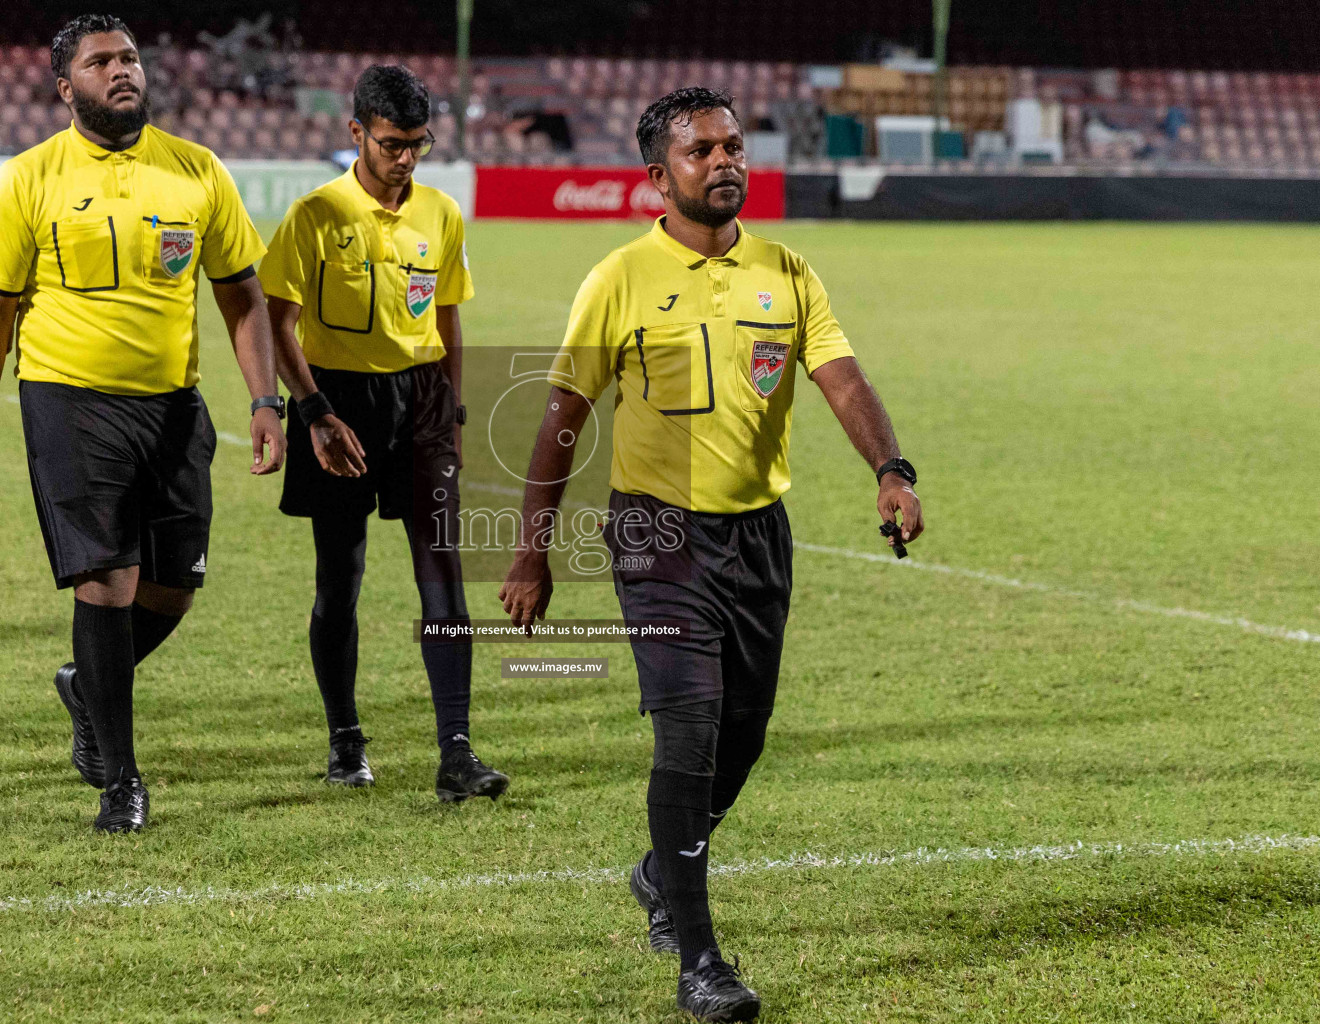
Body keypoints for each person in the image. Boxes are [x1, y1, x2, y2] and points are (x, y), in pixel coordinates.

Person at [499, 88, 925, 1021]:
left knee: (743, 738)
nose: (726, 161)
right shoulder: (618, 278)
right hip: (658, 533)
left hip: (759, 534)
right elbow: (561, 421)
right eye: (702, 151)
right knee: (688, 731)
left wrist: (890, 468)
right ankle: (700, 960)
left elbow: (841, 377)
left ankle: (660, 869)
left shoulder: (788, 271)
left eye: (734, 145)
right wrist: (532, 552)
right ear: (658, 175)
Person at [0, 14, 287, 833]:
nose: (122, 70)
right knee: (109, 580)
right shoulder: (29, 179)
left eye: (130, 56)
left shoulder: (196, 170)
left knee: (174, 587)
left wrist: (265, 400)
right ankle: (122, 782)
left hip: (174, 405)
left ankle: (85, 685)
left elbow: (241, 297)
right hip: (69, 399)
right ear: (65, 87)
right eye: (101, 61)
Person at [258, 64, 508, 801]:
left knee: (445, 577)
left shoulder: (440, 213)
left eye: (418, 145)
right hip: (338, 405)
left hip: (423, 401)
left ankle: (457, 752)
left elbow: (449, 317)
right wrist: (313, 412)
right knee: (342, 583)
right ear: (356, 132)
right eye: (393, 143)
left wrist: (454, 412)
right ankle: (345, 741)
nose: (405, 159)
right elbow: (277, 322)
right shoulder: (314, 215)